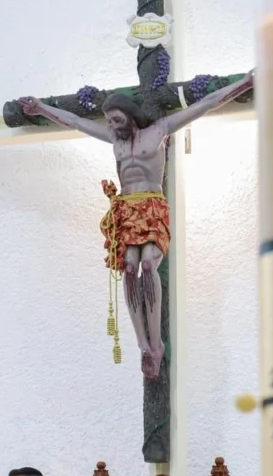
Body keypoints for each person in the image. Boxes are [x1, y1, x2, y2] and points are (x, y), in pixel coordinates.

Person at [17, 71, 254, 380]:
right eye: (110, 122)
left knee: (147, 267)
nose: (113, 127)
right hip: (127, 209)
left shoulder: (159, 131)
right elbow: (76, 122)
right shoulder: (115, 139)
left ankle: (157, 344)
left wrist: (246, 84)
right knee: (128, 269)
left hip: (152, 206)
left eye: (117, 120)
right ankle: (143, 346)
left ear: (130, 116)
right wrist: (42, 109)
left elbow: (207, 103)